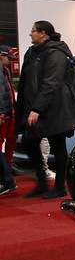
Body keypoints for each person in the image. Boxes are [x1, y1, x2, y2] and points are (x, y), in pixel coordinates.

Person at [15, 20, 75, 198]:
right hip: (34, 107)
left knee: (58, 146)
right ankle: (42, 183)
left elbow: (51, 83)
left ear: (43, 33)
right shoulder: (32, 52)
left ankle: (60, 186)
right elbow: (25, 82)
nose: (30, 34)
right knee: (30, 143)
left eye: (33, 31)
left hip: (55, 108)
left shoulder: (56, 53)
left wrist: (37, 108)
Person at [0, 47, 22, 176]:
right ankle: (5, 170)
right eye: (8, 58)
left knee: (11, 137)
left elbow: (8, 91)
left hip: (9, 112)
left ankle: (8, 164)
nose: (9, 61)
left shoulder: (5, 71)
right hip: (4, 113)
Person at [0, 57, 17, 194]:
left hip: (5, 114)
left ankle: (7, 180)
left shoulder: (3, 71)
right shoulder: (3, 71)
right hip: (6, 113)